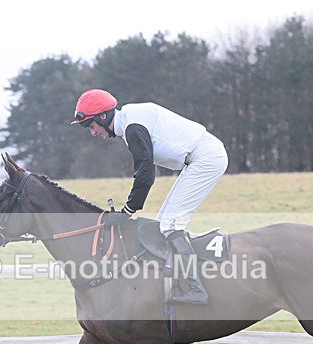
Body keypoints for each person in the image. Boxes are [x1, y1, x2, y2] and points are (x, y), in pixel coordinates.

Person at [71, 89, 228, 305]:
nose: (93, 133)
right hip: (200, 157)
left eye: (91, 126)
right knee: (163, 224)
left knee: (171, 225)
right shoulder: (130, 121)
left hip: (206, 158)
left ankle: (196, 289)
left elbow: (145, 174)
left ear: (103, 117)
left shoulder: (132, 127)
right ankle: (174, 282)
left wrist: (127, 211)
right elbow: (145, 172)